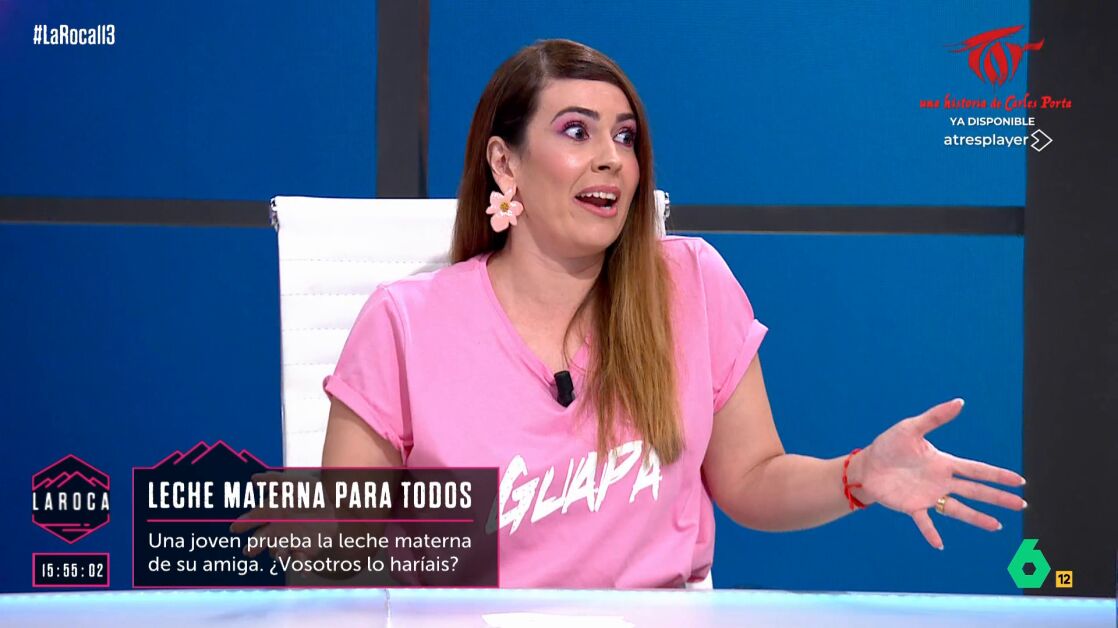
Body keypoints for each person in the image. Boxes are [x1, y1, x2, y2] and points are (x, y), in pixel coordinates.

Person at [318, 39, 1026, 588]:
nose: (611, 159)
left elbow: (751, 480)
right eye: (576, 131)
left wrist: (858, 475)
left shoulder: (690, 283)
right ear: (505, 165)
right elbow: (342, 554)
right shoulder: (406, 324)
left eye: (625, 137)